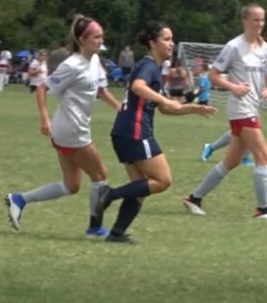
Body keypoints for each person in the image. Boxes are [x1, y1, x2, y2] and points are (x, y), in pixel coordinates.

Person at [93, 22, 218, 243]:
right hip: (135, 132)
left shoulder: (155, 69)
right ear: (153, 43)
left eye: (172, 39)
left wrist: (192, 109)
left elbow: (164, 108)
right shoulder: (148, 65)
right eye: (166, 39)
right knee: (163, 180)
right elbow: (138, 87)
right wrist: (162, 97)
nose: (172, 44)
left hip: (125, 132)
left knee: (139, 188)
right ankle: (109, 195)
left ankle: (116, 234)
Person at [4, 15, 121, 238]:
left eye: (101, 37)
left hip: (69, 130)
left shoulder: (95, 60)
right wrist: (44, 119)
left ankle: (18, 200)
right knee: (100, 175)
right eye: (96, 37)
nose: (100, 41)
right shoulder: (72, 65)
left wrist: (118, 107)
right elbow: (41, 89)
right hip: (71, 130)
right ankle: (95, 228)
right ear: (81, 39)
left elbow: (100, 90)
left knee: (71, 185)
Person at [183, 3, 267, 220]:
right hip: (240, 108)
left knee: (232, 161)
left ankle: (194, 198)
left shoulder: (266, 49)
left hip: (254, 108)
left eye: (262, 20)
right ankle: (263, 209)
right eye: (255, 20)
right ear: (245, 21)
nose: (259, 24)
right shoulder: (234, 46)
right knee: (262, 154)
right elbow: (213, 75)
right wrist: (233, 87)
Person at [199, 24, 267, 166]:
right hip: (245, 97)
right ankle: (243, 157)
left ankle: (211, 147)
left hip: (261, 98)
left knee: (241, 131)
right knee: (252, 129)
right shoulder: (253, 50)